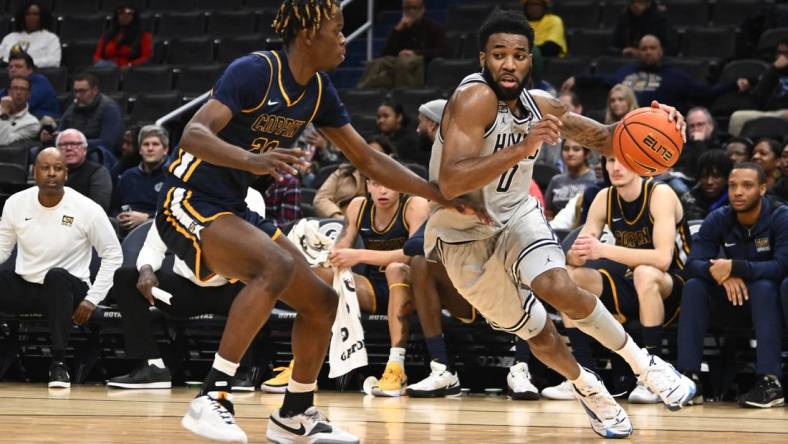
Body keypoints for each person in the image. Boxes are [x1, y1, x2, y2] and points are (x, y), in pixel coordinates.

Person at [163, 1, 470, 442]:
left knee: (322, 301)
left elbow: (366, 158)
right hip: (187, 198)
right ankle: (212, 397)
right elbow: (193, 134)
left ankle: (295, 413)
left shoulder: (320, 91)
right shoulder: (255, 71)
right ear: (308, 33)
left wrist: (437, 194)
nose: (344, 39)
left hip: (232, 207)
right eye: (337, 29)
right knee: (277, 266)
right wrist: (253, 158)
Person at [426, 8, 695, 438]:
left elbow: (607, 138)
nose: (509, 64)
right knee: (538, 331)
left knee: (557, 285)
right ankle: (587, 388)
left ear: (531, 60)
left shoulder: (542, 105)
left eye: (519, 55)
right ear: (483, 59)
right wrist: (521, 149)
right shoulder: (472, 99)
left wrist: (659, 123)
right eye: (499, 55)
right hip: (463, 236)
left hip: (517, 217)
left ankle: (646, 366)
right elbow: (452, 180)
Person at [406, 97, 540, 400]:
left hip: (506, 286)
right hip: (466, 289)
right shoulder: (448, 182)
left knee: (526, 253)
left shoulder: (520, 181)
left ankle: (521, 368)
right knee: (417, 264)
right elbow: (415, 244)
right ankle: (442, 369)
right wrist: (454, 209)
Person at [543, 158, 691, 404]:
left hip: (674, 288)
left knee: (646, 272)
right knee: (568, 278)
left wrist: (601, 250)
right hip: (632, 282)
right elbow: (578, 253)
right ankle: (584, 378)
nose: (615, 168)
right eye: (611, 161)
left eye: (624, 161)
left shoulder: (660, 193)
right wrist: (577, 254)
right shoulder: (604, 197)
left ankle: (654, 377)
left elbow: (663, 259)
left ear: (641, 164)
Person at [107, 189, 268, 391]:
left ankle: (239, 371)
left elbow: (252, 246)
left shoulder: (251, 196)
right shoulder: (175, 196)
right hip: (185, 292)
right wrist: (146, 270)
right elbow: (153, 246)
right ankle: (152, 367)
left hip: (231, 290)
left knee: (257, 286)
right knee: (126, 277)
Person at [0, 147, 122, 388]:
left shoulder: (87, 209)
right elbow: (3, 249)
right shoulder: (16, 203)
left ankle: (58, 364)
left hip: (70, 291)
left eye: (58, 168)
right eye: (45, 168)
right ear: (34, 172)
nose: (52, 174)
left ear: (66, 174)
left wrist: (92, 299)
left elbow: (113, 255)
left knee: (55, 277)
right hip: (28, 287)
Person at [677, 162, 787, 408]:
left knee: (764, 286)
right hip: (729, 304)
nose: (737, 192)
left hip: (769, 307)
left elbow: (782, 266)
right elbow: (693, 263)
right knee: (694, 285)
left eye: (747, 186)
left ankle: (770, 381)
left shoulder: (781, 217)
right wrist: (722, 274)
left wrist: (736, 267)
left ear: (762, 189)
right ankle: (688, 378)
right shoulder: (719, 217)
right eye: (733, 186)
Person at [329, 180, 428, 397]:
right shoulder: (358, 206)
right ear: (368, 185)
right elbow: (340, 249)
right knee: (326, 275)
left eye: (389, 184)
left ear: (400, 184)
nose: (383, 190)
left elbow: (412, 252)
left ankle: (396, 367)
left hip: (413, 291)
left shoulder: (415, 205)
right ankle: (304, 363)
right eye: (376, 184)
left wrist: (360, 255)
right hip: (373, 289)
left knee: (395, 268)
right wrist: (323, 252)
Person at [563, 34, 749, 113]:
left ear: (660, 51)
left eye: (652, 48)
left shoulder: (674, 76)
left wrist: (733, 85)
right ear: (638, 51)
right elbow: (603, 80)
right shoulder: (627, 71)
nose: (648, 52)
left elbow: (705, 92)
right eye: (644, 48)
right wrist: (577, 78)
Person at [359, 0, 446, 88]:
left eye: (415, 8)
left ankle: (405, 95)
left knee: (404, 61)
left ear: (422, 10)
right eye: (407, 8)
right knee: (376, 63)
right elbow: (385, 53)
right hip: (397, 64)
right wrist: (396, 31)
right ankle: (361, 93)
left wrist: (415, 53)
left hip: (422, 64)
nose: (411, 11)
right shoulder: (401, 29)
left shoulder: (434, 28)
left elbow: (441, 52)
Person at [313, 135, 393, 218]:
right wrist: (338, 217)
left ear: (387, 158)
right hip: (339, 221)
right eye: (367, 153)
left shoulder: (392, 180)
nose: (370, 158)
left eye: (376, 155)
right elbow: (321, 199)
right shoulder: (343, 172)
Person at [111, 125, 169, 234]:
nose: (150, 148)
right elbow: (114, 208)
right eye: (146, 144)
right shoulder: (127, 176)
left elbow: (176, 213)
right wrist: (119, 217)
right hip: (125, 232)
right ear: (140, 150)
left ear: (165, 150)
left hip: (158, 232)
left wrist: (146, 218)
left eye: (155, 144)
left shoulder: (173, 177)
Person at [728, 40, 788, 137]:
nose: (781, 57)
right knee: (737, 118)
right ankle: (740, 149)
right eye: (779, 53)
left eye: (785, 53)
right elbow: (758, 99)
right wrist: (773, 69)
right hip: (771, 113)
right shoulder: (772, 72)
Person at [59, 73, 124, 159]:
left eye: (82, 91)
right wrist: (50, 137)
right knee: (37, 151)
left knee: (94, 156)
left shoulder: (109, 108)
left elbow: (108, 143)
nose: (78, 96)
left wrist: (77, 143)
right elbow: (61, 133)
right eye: (76, 91)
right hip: (74, 149)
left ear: (95, 90)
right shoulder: (73, 108)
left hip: (101, 153)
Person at [56, 129, 113, 213]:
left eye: (74, 144)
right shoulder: (50, 173)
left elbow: (97, 210)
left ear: (84, 150)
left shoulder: (98, 173)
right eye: (63, 145)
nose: (68, 148)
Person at [543, 139, 596, 219]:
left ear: (587, 154)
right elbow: (547, 212)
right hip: (556, 228)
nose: (570, 153)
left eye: (576, 149)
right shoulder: (556, 180)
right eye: (566, 149)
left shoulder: (595, 180)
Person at [1, 48, 59, 119]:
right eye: (10, 67)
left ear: (30, 70)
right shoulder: (10, 85)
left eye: (18, 66)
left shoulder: (40, 81)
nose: (13, 70)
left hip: (43, 124)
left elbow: (19, 105)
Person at [0, 1, 60, 68]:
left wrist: (26, 64)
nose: (31, 17)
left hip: (37, 73)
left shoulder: (51, 38)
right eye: (28, 14)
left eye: (35, 14)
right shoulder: (9, 37)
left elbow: (55, 61)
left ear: (42, 16)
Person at [93, 3, 153, 68]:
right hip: (108, 68)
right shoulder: (108, 35)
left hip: (131, 70)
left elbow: (146, 57)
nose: (124, 16)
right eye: (121, 13)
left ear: (134, 17)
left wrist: (130, 65)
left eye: (129, 14)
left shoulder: (143, 35)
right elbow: (97, 56)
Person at [609, 0, 677, 57]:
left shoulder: (661, 19)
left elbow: (670, 49)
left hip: (654, 64)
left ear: (648, 3)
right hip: (627, 61)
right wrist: (622, 51)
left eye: (640, 2)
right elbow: (611, 47)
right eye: (633, 2)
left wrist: (643, 53)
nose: (636, 5)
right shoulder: (624, 17)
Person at [680, 149, 733, 221]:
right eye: (704, 176)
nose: (709, 182)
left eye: (716, 176)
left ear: (727, 177)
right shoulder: (689, 200)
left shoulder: (735, 199)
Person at [375, 100, 420, 165]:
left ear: (399, 117)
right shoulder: (375, 138)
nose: (381, 120)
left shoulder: (411, 141)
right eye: (378, 117)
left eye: (386, 116)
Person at [0, 76, 40, 145]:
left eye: (23, 89)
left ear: (29, 94)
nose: (19, 92)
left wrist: (4, 114)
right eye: (15, 88)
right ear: (9, 91)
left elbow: (2, 141)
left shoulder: (32, 123)